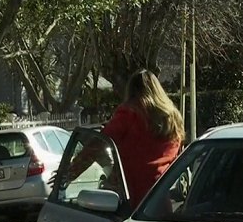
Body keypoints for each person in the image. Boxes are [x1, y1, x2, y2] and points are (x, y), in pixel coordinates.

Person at [56, 69, 185, 209]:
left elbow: (98, 144)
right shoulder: (173, 119)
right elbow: (177, 159)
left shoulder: (129, 113)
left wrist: (70, 172)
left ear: (131, 92)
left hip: (131, 199)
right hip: (160, 201)